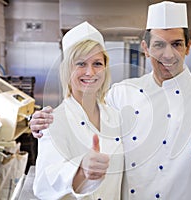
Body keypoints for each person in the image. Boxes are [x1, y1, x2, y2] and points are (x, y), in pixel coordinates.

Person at [30, 2, 191, 199]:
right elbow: (83, 110)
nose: (168, 54)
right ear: (146, 48)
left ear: (188, 47)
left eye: (176, 44)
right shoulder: (122, 94)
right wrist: (40, 122)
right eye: (159, 44)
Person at [32, 21, 123, 199]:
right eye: (81, 64)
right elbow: (43, 184)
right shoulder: (53, 120)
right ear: (68, 69)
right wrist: (81, 170)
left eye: (97, 63)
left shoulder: (114, 117)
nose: (90, 72)